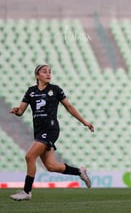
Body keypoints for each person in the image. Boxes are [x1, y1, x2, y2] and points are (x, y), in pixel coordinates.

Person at [9, 64, 94, 201]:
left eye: (49, 72)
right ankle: (79, 171)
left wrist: (84, 122)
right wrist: (16, 111)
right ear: (37, 76)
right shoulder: (31, 91)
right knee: (51, 166)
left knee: (30, 157)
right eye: (44, 72)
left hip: (50, 129)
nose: (48, 74)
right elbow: (21, 111)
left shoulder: (55, 90)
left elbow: (69, 106)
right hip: (38, 131)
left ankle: (26, 191)